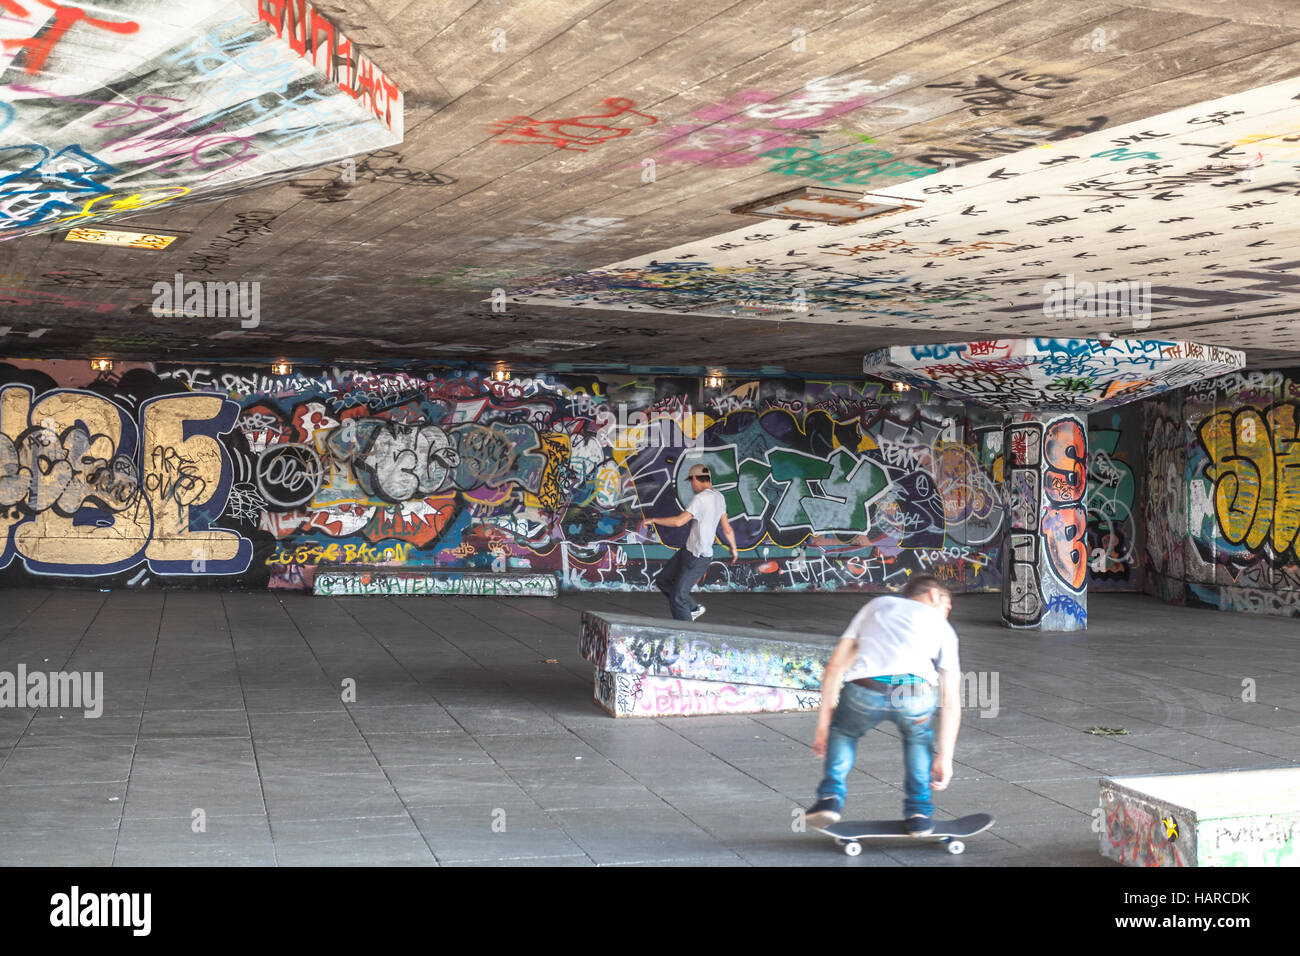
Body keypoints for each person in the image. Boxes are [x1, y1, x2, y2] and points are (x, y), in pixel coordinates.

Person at [804, 575, 961, 836]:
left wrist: (824, 727)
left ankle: (830, 797)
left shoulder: (877, 605)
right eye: (947, 607)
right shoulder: (943, 629)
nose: (947, 614)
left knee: (844, 732)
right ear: (934, 595)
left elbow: (834, 667)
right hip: (915, 694)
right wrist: (945, 757)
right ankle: (919, 812)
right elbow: (952, 700)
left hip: (866, 689)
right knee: (918, 739)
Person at [644, 463, 738, 621]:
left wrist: (653, 519)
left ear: (695, 478)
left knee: (678, 598)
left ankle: (685, 635)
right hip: (688, 551)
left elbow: (679, 522)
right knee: (663, 580)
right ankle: (694, 608)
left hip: (698, 557)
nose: (692, 485)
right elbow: (727, 528)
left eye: (691, 481)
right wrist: (734, 548)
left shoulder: (701, 498)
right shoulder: (719, 497)